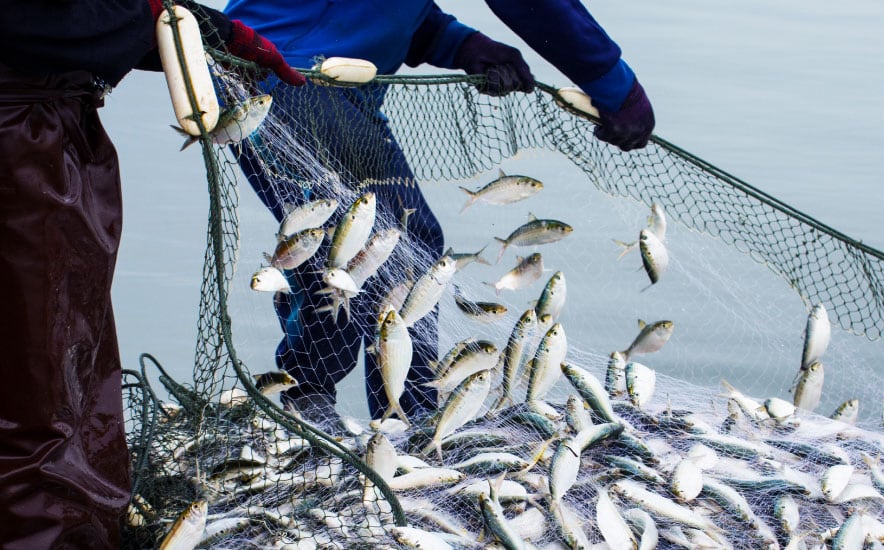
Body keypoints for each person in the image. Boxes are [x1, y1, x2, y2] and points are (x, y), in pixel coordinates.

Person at [223, 0, 655, 426]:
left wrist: (458, 43)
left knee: (406, 245)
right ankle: (320, 401)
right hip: (283, 71)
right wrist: (614, 83)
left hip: (327, 83)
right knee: (362, 247)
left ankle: (405, 410)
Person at [0, 1, 302, 546]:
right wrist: (155, 17)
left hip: (44, 129)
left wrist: (209, 30)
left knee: (66, 358)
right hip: (19, 145)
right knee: (37, 385)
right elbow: (34, 21)